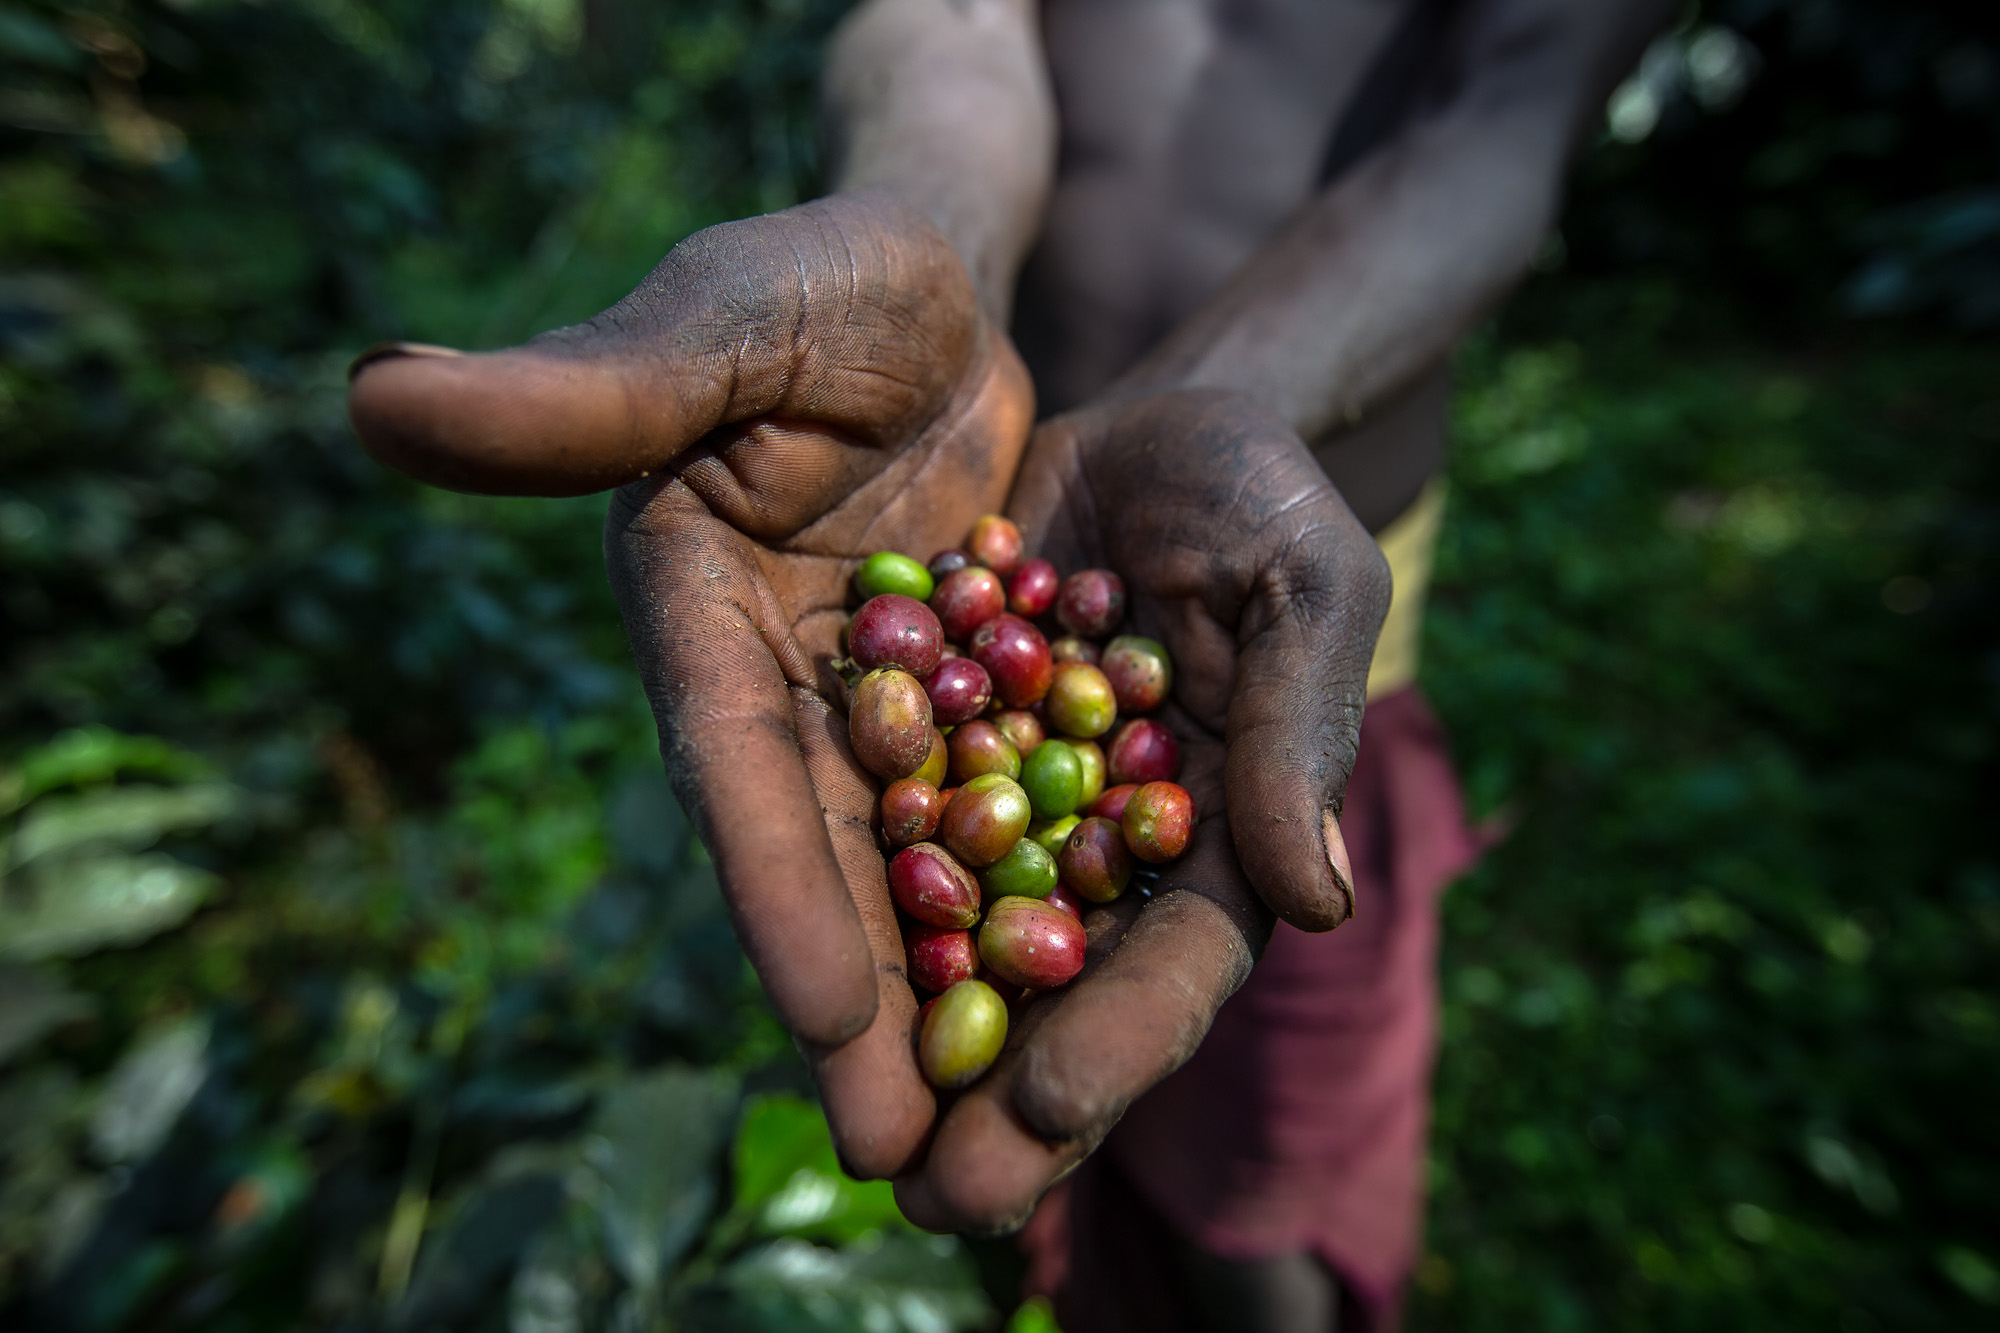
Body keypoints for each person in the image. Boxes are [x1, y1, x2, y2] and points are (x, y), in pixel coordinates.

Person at [347, 1, 1671, 1327]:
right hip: (966, 489)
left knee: (1261, 1181)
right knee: (1001, 1141)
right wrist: (937, 246)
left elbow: (1504, 127)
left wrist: (1225, 394)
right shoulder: (984, 705)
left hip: (1277, 617)